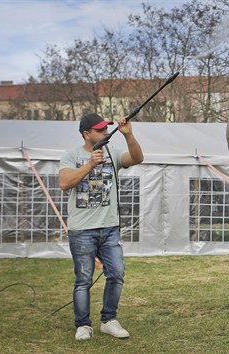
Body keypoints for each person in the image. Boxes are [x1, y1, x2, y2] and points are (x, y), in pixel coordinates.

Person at [59, 113, 144, 341]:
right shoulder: (71, 156)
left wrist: (129, 135)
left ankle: (109, 320)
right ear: (86, 134)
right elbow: (65, 183)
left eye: (106, 129)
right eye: (99, 130)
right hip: (82, 230)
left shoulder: (112, 153)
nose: (105, 133)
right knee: (83, 279)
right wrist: (90, 164)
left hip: (109, 228)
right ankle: (83, 325)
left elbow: (137, 158)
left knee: (116, 274)